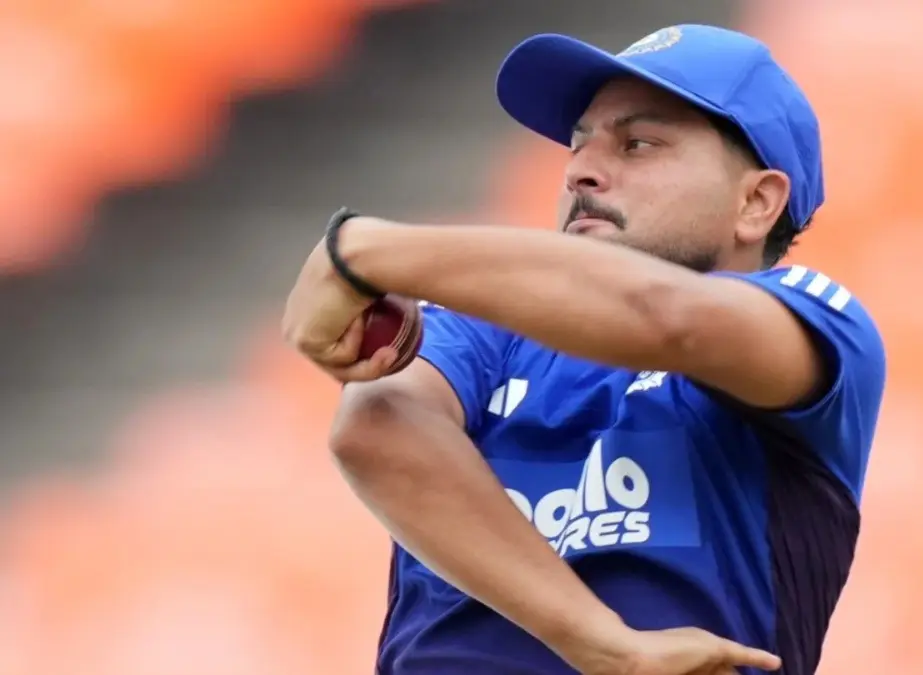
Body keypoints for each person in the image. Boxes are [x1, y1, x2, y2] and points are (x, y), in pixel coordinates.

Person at [282, 24, 886, 675]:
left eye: (638, 143)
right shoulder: (484, 328)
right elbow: (373, 431)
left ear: (756, 202)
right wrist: (598, 639)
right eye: (579, 145)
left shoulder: (814, 319)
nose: (580, 172)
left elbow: (668, 315)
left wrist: (363, 251)